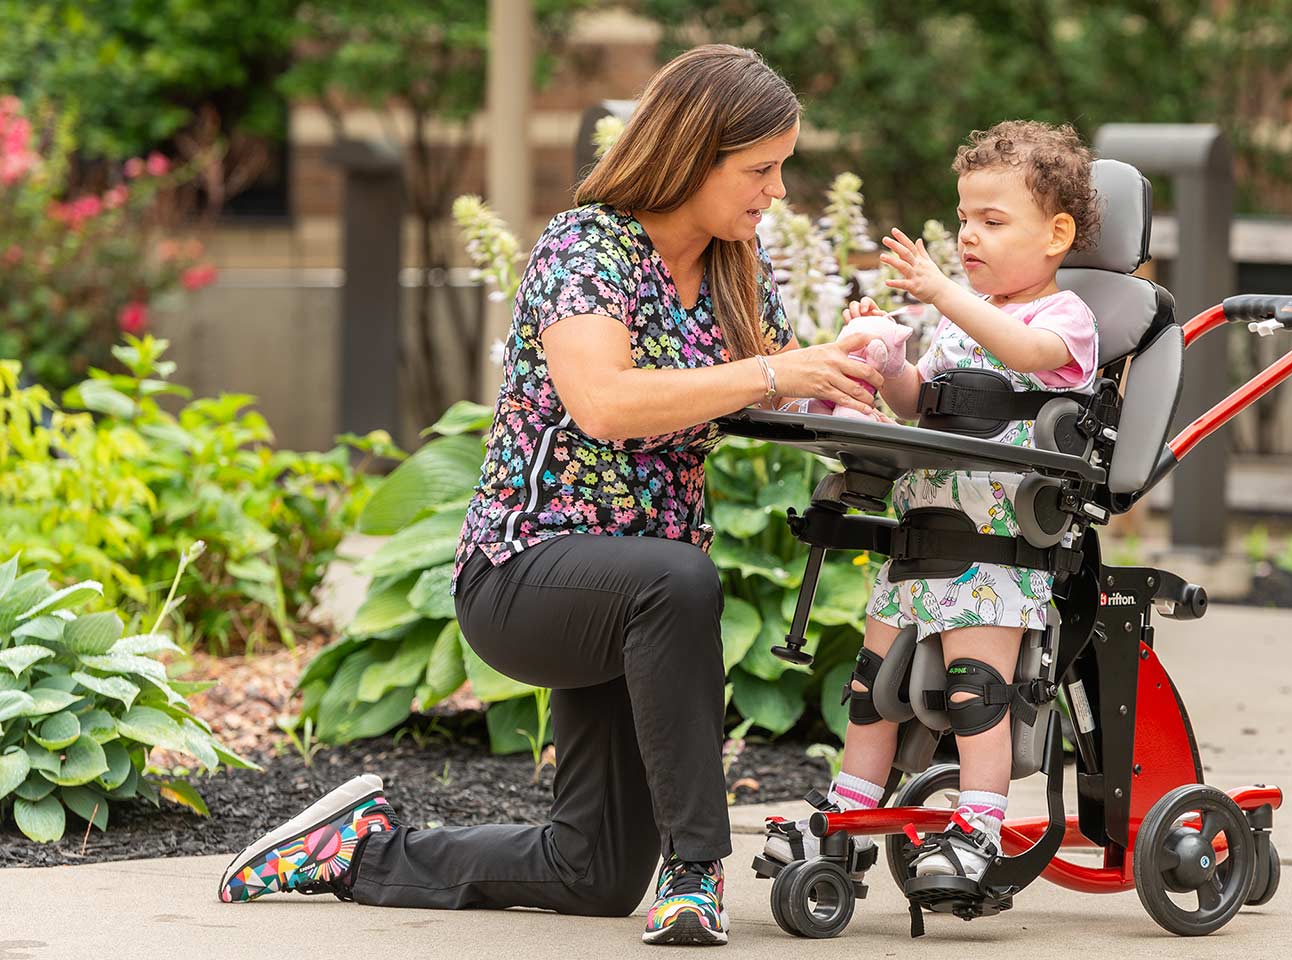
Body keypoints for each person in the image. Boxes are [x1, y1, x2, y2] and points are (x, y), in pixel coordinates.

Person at [216, 44, 887, 947]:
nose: (774, 192)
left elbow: (784, 389)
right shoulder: (588, 246)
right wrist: (769, 371)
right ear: (693, 153)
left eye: (781, 171)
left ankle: (360, 851)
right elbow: (604, 403)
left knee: (595, 873)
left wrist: (859, 371)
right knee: (682, 579)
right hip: (528, 573)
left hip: (634, 600)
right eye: (759, 170)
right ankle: (697, 869)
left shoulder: (738, 266)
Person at [762, 119, 1101, 885]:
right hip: (921, 536)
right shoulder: (958, 320)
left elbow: (1027, 360)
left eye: (991, 221)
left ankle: (978, 830)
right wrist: (888, 361)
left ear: (1055, 234)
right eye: (963, 219)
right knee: (872, 690)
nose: (968, 237)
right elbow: (921, 402)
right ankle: (843, 820)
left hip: (996, 551)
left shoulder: (1062, 319)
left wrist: (942, 294)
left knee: (976, 695)